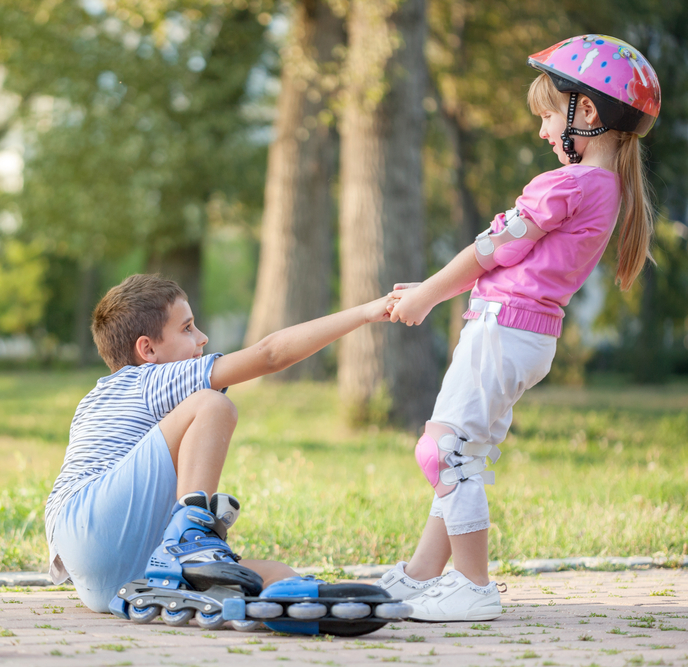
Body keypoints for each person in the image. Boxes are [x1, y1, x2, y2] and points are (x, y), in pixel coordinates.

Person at [379, 34, 661, 622]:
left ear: (587, 113)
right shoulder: (605, 188)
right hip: (523, 335)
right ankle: (421, 575)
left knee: (443, 449)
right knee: (463, 450)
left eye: (549, 114)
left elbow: (489, 253)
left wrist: (428, 294)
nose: (541, 131)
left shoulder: (568, 184)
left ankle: (473, 586)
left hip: (502, 331)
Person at [45, 273, 394, 612]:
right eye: (187, 328)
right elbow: (270, 354)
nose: (202, 337)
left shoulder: (98, 397)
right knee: (211, 403)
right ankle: (190, 540)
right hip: (90, 521)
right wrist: (366, 312)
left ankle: (301, 603)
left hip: (101, 572)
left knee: (272, 574)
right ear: (147, 349)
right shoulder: (147, 379)